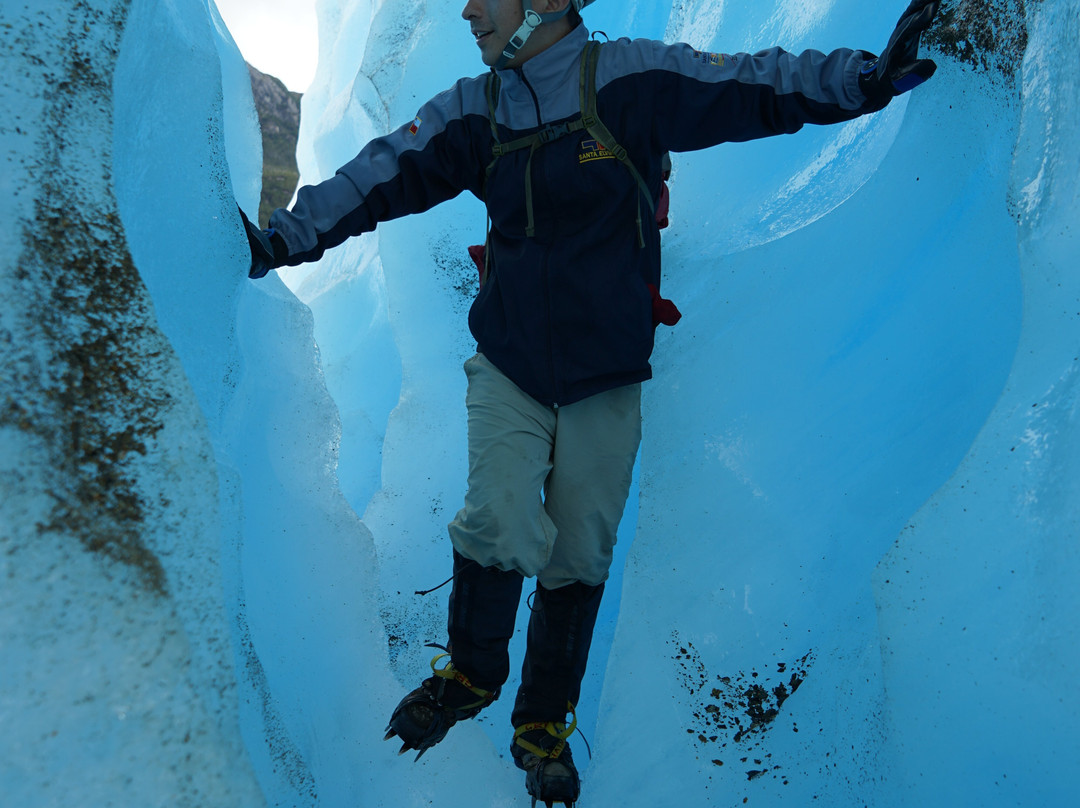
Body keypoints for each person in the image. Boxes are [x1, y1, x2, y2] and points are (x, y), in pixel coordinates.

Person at [241, 1, 941, 805]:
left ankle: (541, 727)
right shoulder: (478, 108)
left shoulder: (628, 80)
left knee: (580, 551)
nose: (469, 10)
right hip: (509, 363)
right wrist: (288, 238)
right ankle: (470, 676)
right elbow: (382, 172)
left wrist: (862, 78)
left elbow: (750, 85)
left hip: (607, 370)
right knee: (497, 519)